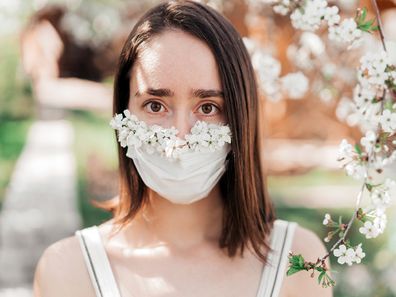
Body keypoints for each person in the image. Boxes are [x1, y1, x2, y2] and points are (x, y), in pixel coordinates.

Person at [33, 1, 332, 296]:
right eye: (155, 105)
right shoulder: (68, 270)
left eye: (207, 107)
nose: (179, 136)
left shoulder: (298, 263)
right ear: (124, 113)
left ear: (241, 118)